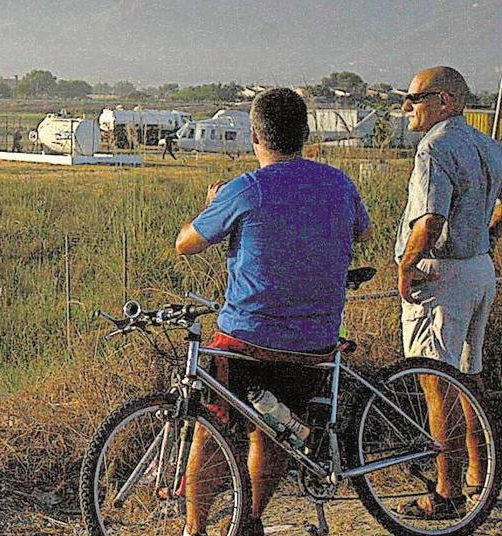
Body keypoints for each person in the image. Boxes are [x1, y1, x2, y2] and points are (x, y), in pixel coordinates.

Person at [175, 88, 371, 536]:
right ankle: (251, 518)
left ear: (254, 136)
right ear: (304, 133)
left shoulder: (247, 188)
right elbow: (363, 230)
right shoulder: (339, 184)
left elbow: (185, 244)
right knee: (275, 430)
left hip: (248, 338)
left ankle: (195, 529)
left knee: (210, 430)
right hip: (314, 342)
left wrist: (212, 207)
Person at [394, 66, 502, 520]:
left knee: (438, 385)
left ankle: (446, 492)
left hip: (442, 277)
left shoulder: (434, 147)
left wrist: (406, 267)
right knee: (470, 378)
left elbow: (430, 221)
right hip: (479, 270)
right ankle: (481, 477)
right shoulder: (489, 145)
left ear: (447, 101)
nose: (407, 107)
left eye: (416, 97)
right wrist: (488, 235)